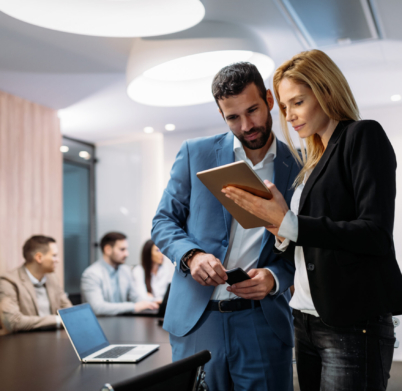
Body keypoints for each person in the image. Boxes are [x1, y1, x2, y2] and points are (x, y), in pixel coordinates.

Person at [222, 49, 402, 391]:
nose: (289, 115)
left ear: (326, 90)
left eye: (298, 102)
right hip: (304, 318)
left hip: (350, 322)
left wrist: (289, 223)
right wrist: (279, 230)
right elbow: (312, 247)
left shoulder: (362, 136)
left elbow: (375, 233)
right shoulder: (312, 160)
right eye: (285, 106)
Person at [152, 62, 300, 391]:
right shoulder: (196, 153)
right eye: (233, 117)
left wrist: (276, 277)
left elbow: (303, 244)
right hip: (197, 319)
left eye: (253, 110)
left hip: (262, 320)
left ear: (269, 100)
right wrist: (191, 256)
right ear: (221, 115)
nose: (246, 125)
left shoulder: (300, 166)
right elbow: (163, 221)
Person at [0, 235, 71, 334]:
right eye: (54, 256)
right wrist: (57, 320)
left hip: (53, 338)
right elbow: (12, 321)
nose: (57, 260)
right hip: (23, 342)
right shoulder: (9, 281)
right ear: (39, 257)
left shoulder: (52, 278)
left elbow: (69, 311)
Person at [81, 232, 158, 316]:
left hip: (122, 322)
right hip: (102, 324)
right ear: (108, 250)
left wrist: (152, 302)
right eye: (122, 249)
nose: (126, 254)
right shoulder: (91, 274)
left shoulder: (125, 270)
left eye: (126, 249)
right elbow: (98, 307)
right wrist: (133, 306)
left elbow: (135, 297)